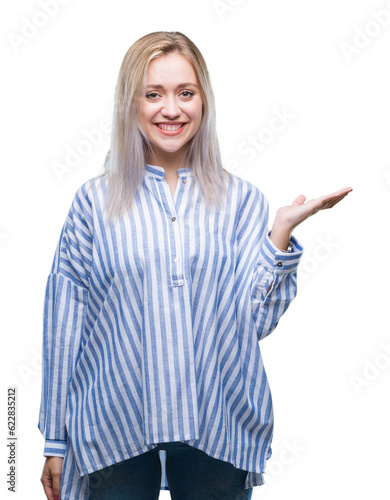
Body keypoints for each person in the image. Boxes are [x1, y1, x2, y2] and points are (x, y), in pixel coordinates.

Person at [38, 31, 352, 500]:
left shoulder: (241, 200)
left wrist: (279, 233)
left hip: (218, 423)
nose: (171, 109)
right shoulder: (93, 202)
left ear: (203, 102)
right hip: (113, 424)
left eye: (185, 93)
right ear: (131, 103)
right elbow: (65, 323)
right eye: (153, 94)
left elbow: (255, 320)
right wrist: (55, 439)